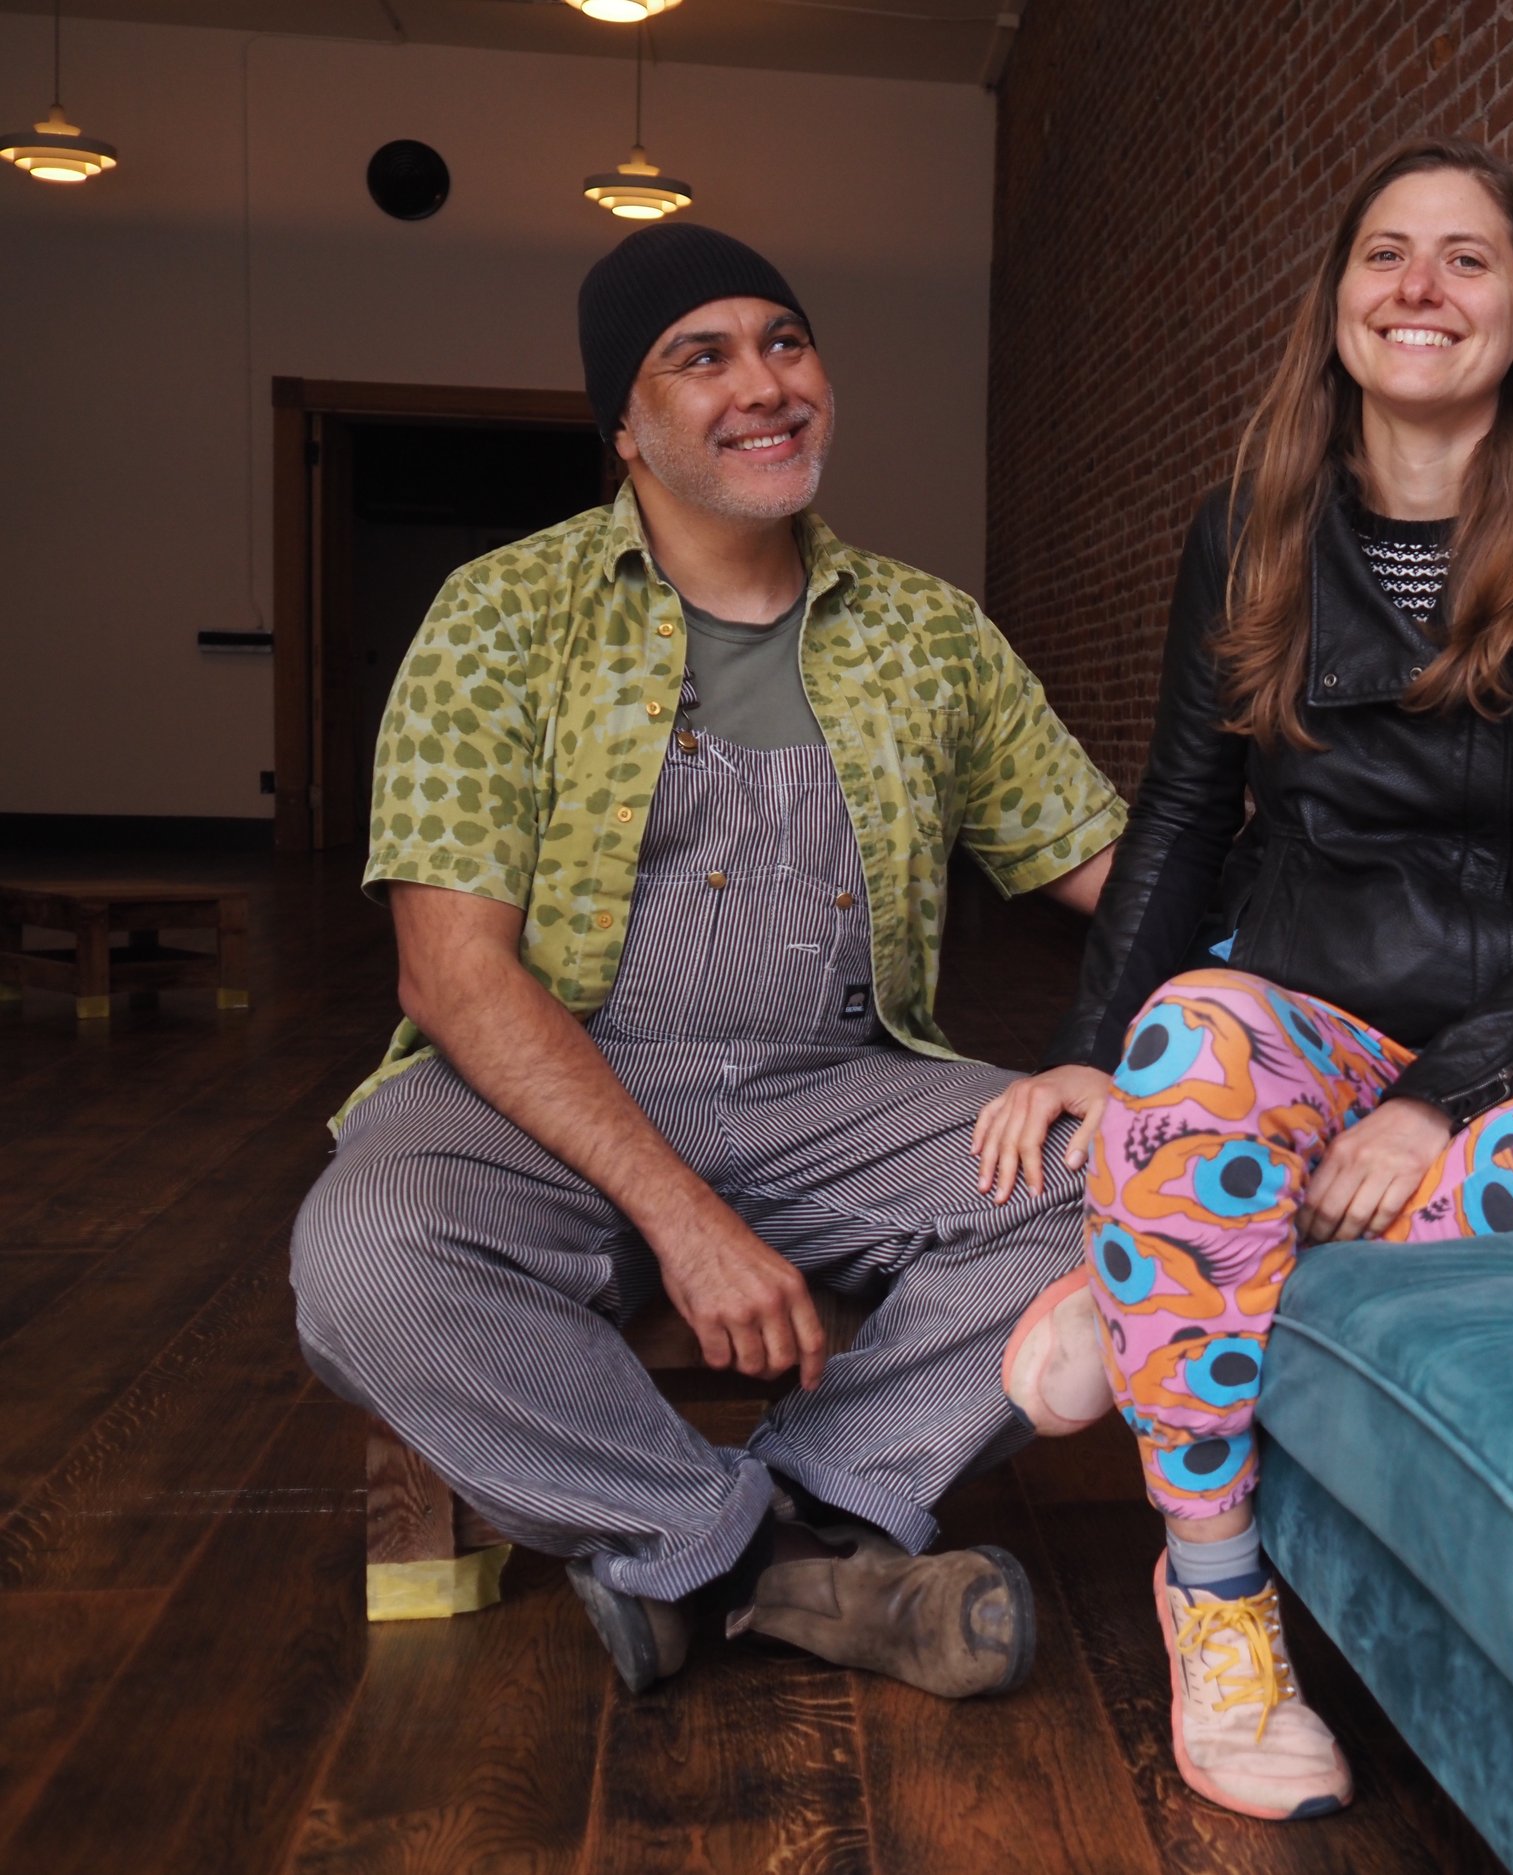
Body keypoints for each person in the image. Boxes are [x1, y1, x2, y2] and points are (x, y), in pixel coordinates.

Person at [973, 138, 1513, 1819]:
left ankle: (1193, 1238)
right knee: (1180, 1044)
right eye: (1386, 254)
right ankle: (1215, 1598)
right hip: (1296, 1005)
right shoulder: (1251, 534)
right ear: (1340, 305)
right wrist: (1091, 1047)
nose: (1420, 287)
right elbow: (1175, 811)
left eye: (1465, 261)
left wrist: (1455, 1097)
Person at [291, 223, 1125, 1700]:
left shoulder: (930, 637)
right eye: (705, 355)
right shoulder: (502, 618)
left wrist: (1179, 1027)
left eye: (786, 342)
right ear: (626, 425)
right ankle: (783, 1575)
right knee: (366, 1256)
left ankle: (785, 1512)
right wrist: (682, 1216)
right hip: (545, 1084)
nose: (766, 385)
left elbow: (1117, 870)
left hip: (833, 1080)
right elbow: (455, 978)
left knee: (1142, 1177)